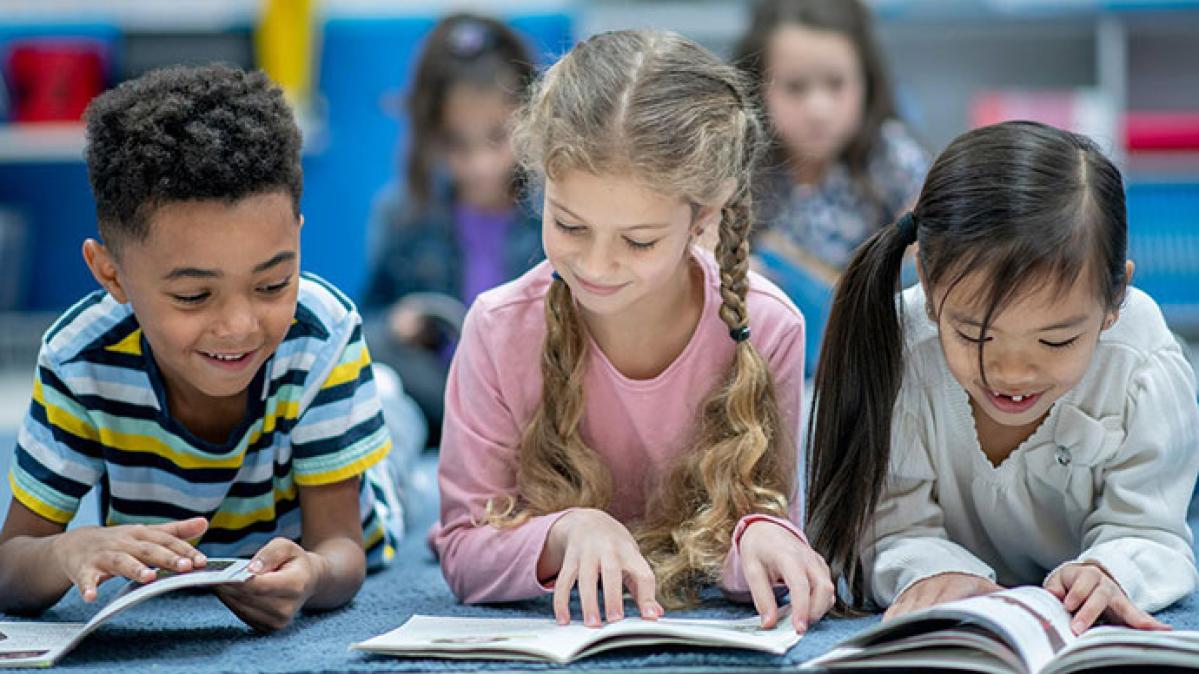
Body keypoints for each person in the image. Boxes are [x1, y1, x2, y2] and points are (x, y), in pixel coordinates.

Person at [430, 29, 834, 634]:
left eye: (639, 241)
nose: (595, 265)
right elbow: (461, 549)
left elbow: (765, 518)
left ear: (705, 215)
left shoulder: (765, 326)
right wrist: (566, 533)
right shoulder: (497, 327)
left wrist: (767, 541)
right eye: (568, 225)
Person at [0, 64, 404, 632]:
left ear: (297, 238)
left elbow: (343, 547)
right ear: (110, 273)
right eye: (193, 296)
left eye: (271, 285)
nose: (239, 326)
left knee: (394, 448)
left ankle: (385, 405)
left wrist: (311, 574)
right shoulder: (78, 360)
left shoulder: (321, 335)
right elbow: (10, 566)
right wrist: (66, 552)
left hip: (359, 482)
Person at [806, 120, 1199, 635]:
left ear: (1114, 298)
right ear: (926, 279)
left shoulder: (1142, 361)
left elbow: (1151, 529)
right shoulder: (900, 353)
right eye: (975, 336)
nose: (1011, 373)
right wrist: (932, 571)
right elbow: (888, 528)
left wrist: (1112, 569)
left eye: (1056, 341)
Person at [361, 13, 543, 443]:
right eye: (456, 143)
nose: (480, 164)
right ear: (428, 135)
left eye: (497, 137)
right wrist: (397, 327)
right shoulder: (403, 214)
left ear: (531, 117)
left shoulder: (559, 214)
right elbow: (360, 335)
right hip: (435, 421)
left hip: (536, 418)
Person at [733, 0, 928, 373]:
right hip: (765, 367)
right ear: (757, 84)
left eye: (836, 84)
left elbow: (941, 241)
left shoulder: (891, 156)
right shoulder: (739, 163)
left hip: (873, 365)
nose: (818, 108)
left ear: (867, 81)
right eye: (795, 87)